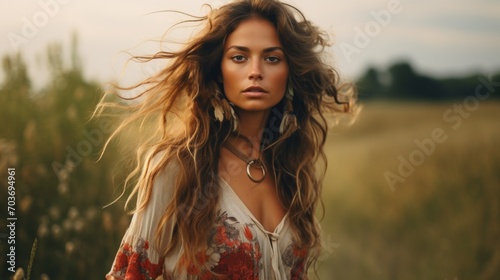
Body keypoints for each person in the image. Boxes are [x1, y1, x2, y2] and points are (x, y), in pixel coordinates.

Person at [101, 0, 355, 279]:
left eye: (272, 58)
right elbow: (130, 275)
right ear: (218, 70)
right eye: (239, 57)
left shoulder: (291, 169)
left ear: (290, 72)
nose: (256, 71)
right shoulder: (177, 165)